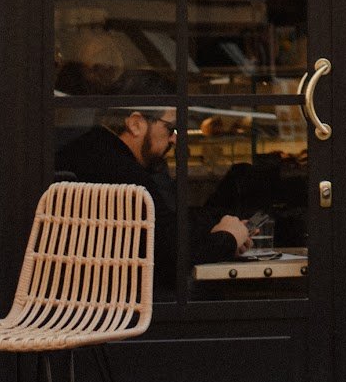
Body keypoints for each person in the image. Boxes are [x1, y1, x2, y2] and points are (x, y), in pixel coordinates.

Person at [59, 106, 251, 269]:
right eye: (170, 128)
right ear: (135, 124)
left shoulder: (98, 153)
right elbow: (167, 251)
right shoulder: (122, 171)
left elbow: (163, 225)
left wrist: (220, 225)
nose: (174, 139)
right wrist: (227, 238)